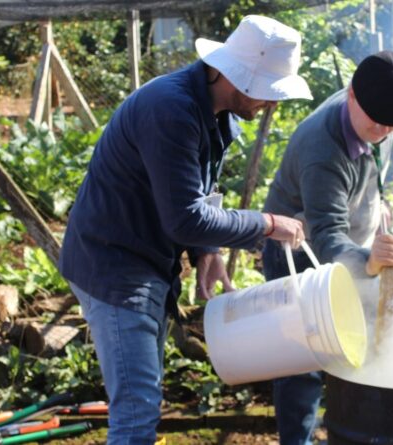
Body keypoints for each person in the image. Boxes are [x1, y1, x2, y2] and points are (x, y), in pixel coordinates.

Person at [59, 15, 309, 444]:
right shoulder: (170, 109)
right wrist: (267, 224)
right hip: (114, 265)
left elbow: (194, 190)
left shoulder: (218, 112)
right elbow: (184, 216)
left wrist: (205, 250)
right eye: (268, 93)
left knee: (143, 399)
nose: (271, 105)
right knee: (136, 412)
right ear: (237, 76)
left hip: (144, 259)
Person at [261, 51, 393, 445]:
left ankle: (361, 434)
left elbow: (374, 152)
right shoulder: (322, 150)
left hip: (350, 246)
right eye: (377, 122)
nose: (383, 130)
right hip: (298, 254)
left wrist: (375, 202)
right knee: (305, 360)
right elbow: (328, 236)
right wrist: (368, 262)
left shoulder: (377, 108)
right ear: (351, 95)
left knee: (358, 340)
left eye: (392, 126)